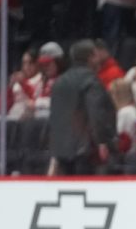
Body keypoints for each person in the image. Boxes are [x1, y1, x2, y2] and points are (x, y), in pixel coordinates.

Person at [48, 39, 116, 176]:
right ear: (90, 57)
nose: (99, 60)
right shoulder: (91, 81)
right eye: (96, 55)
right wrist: (102, 141)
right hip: (85, 152)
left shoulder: (59, 82)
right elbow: (97, 113)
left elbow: (54, 117)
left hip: (60, 151)